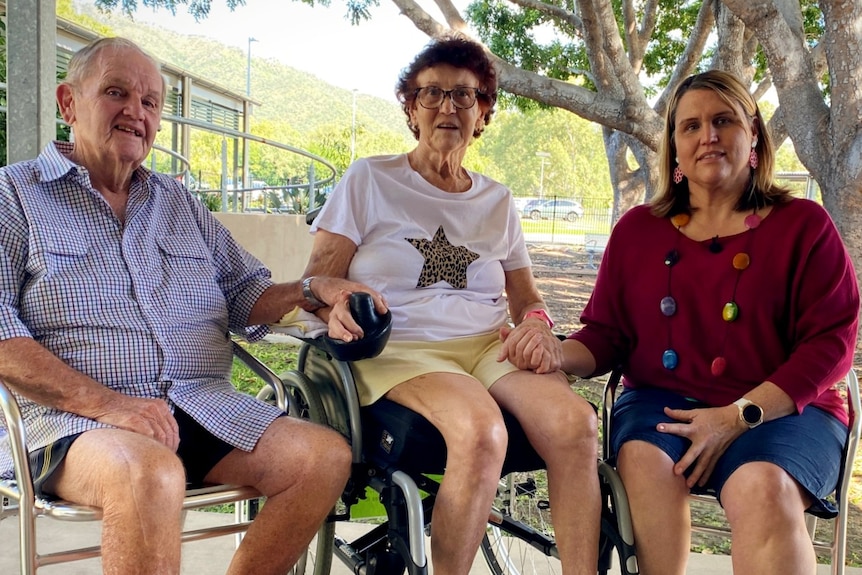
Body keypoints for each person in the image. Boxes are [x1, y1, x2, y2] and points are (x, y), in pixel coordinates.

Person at [0, 37, 387, 575]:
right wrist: (110, 405)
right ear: (69, 103)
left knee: (323, 458)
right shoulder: (13, 196)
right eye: (116, 93)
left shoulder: (177, 203)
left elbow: (245, 291)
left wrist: (311, 288)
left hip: (199, 408)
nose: (136, 112)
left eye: (151, 102)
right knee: (149, 473)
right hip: (73, 425)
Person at [304, 35, 600, 575]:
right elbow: (318, 279)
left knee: (576, 425)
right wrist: (337, 309)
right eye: (432, 93)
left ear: (482, 112)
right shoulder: (369, 179)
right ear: (411, 108)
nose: (448, 106)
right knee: (482, 431)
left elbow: (526, 295)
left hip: (489, 344)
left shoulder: (498, 200)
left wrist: (535, 322)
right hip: (402, 348)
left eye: (464, 96)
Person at [544, 70, 859, 575]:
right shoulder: (636, 232)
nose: (707, 136)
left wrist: (738, 415)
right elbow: (607, 335)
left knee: (763, 488)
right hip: (660, 403)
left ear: (753, 134)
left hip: (782, 410)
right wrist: (555, 352)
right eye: (690, 126)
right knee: (646, 465)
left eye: (723, 121)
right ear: (674, 146)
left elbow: (832, 344)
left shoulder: (804, 225)